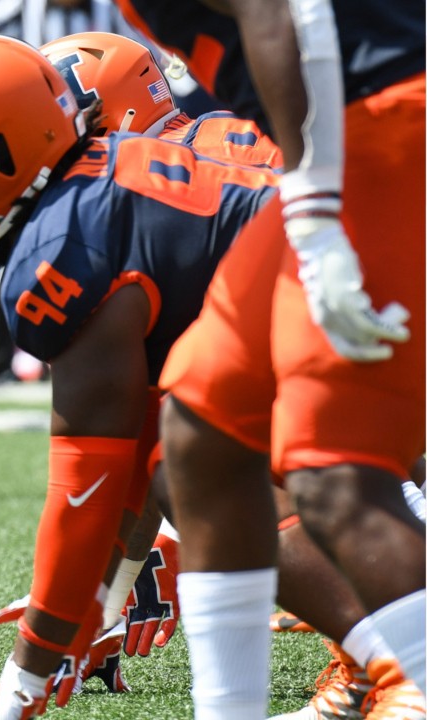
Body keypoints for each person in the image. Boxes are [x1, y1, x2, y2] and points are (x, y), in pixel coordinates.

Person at [0, 34, 279, 718]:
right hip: (337, 283)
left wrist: (27, 673)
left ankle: (398, 662)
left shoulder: (67, 241)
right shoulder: (103, 188)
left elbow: (85, 484)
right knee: (194, 464)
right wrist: (94, 609)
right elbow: (141, 450)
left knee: (280, 485)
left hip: (345, 292)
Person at [113, 0, 427, 714]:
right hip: (340, 133)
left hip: (380, 122)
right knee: (200, 434)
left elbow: (277, 6)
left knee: (333, 476)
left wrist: (316, 215)